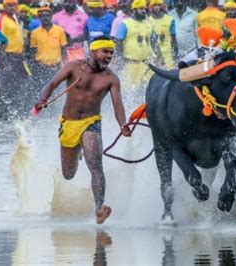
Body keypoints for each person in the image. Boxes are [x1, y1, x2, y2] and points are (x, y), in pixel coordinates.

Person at [34, 37, 131, 224]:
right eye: (105, 51)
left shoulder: (111, 78)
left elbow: (118, 104)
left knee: (95, 164)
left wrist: (123, 125)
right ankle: (78, 150)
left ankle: (99, 209)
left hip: (91, 122)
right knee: (68, 174)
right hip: (69, 124)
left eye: (111, 53)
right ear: (92, 52)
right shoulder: (73, 67)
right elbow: (52, 84)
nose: (109, 56)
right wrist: (43, 100)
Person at [0, 0, 28, 118]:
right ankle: (3, 115)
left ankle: (16, 113)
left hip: (18, 58)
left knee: (20, 85)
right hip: (7, 57)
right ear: (4, 7)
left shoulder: (13, 18)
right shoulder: (1, 19)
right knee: (7, 88)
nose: (12, 7)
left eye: (14, 5)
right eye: (9, 5)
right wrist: (2, 60)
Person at [115, 0, 154, 92]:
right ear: (134, 10)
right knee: (130, 91)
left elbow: (153, 43)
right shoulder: (125, 24)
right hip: (130, 64)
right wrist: (120, 61)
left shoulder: (148, 24)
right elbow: (118, 43)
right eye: (141, 9)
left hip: (146, 64)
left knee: (147, 90)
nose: (144, 11)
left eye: (144, 8)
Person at [30, 7, 68, 90]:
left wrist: (65, 65)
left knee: (56, 89)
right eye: (43, 16)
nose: (45, 18)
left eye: (47, 15)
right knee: (41, 89)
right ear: (39, 17)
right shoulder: (34, 33)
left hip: (56, 67)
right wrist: (33, 68)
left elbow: (64, 49)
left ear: (51, 16)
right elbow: (33, 51)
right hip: (41, 67)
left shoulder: (59, 30)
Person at [149, 0, 178, 68]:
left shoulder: (170, 19)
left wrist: (176, 56)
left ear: (162, 6)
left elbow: (174, 40)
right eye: (154, 5)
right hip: (154, 57)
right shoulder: (148, 21)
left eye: (158, 5)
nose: (156, 7)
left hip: (168, 55)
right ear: (151, 7)